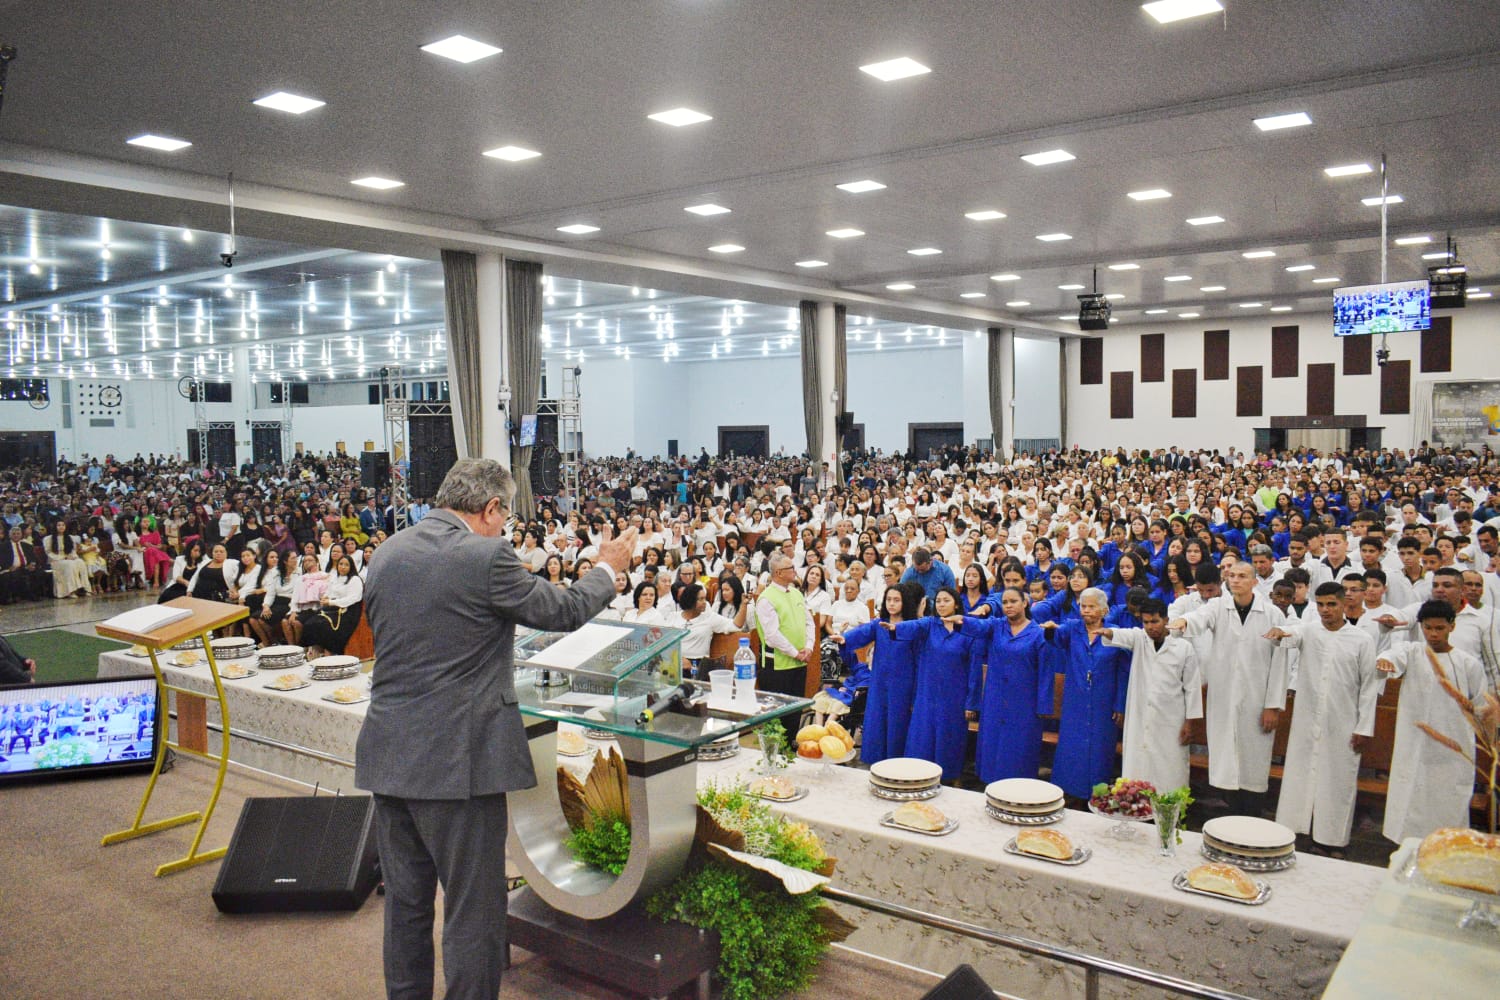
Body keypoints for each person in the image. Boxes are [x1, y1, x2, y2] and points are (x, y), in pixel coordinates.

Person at [356, 458, 634, 1000]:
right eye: (503, 517)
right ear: (490, 509)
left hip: (389, 753)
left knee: (407, 909)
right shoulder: (485, 556)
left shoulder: (388, 551)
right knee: (472, 911)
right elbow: (566, 609)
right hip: (459, 764)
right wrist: (607, 567)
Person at [1263, 583, 1381, 856]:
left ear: (1343, 604)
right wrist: (1281, 632)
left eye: (1331, 604)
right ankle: (1291, 833)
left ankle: (1332, 840)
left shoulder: (1361, 639)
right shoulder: (1310, 630)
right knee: (1299, 776)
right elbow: (1292, 634)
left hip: (1343, 722)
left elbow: (1369, 687)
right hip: (1307, 719)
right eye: (1321, 605)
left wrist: (1364, 726)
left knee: (1336, 781)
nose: (1326, 610)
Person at [1170, 560, 1288, 816]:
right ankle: (1230, 815)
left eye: (1242, 576)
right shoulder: (1217, 607)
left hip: (1257, 699)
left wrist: (1273, 706)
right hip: (1224, 695)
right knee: (1226, 762)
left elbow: (1281, 664)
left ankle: (1251, 817)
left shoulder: (1272, 615)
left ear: (1255, 582)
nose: (1235, 580)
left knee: (1253, 762)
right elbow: (1198, 618)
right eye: (1231, 575)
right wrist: (1184, 622)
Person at [1376, 599, 1491, 845]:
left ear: (1452, 626)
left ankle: (1445, 853)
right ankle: (1406, 852)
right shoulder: (1413, 652)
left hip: (1451, 749)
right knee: (1411, 801)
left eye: (1439, 628)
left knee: (1446, 804)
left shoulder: (1468, 664)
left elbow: (1481, 708)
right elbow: (1393, 655)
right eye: (1428, 628)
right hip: (1414, 744)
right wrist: (1386, 660)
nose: (1433, 634)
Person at [1097, 597, 1203, 793]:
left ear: (1165, 619)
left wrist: (1190, 722)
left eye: (1155, 621)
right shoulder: (1140, 639)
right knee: (1139, 765)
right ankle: (1138, 809)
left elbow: (1192, 688)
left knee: (1170, 768)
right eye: (1145, 622)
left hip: (1171, 720)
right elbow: (1123, 634)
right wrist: (1108, 631)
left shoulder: (1183, 648)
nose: (1150, 627)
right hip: (1141, 717)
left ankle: (1170, 812)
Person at [1039, 587, 1130, 799]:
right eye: (1083, 606)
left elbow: (1124, 672)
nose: (1086, 611)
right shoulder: (1072, 629)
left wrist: (1120, 704)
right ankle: (1068, 794)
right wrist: (1051, 629)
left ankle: (1096, 796)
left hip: (1103, 703)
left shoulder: (1115, 633)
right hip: (1076, 701)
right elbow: (1054, 638)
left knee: (1099, 750)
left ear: (1103, 610)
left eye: (1091, 607)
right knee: (1071, 748)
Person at [958, 586, 1051, 782]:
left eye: (1013, 601)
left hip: (1024, 702)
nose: (1008, 606)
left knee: (1019, 748)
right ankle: (989, 786)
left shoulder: (1038, 633)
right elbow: (978, 627)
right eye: (1005, 602)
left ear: (1025, 603)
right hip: (995, 697)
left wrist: (1043, 705)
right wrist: (962, 620)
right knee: (992, 744)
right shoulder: (997, 626)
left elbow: (1045, 673)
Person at [894, 586, 985, 782]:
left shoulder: (969, 630)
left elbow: (975, 670)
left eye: (946, 600)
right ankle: (917, 777)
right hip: (928, 692)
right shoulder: (929, 625)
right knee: (923, 736)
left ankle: (950, 777)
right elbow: (913, 626)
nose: (942, 604)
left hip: (955, 695)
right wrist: (896, 628)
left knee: (949, 738)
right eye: (939, 601)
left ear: (956, 604)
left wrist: (971, 702)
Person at [832, 582, 924, 765]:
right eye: (889, 599)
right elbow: (861, 633)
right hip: (880, 682)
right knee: (877, 721)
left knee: (898, 723)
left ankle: (895, 763)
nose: (891, 604)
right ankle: (876, 762)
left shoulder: (912, 627)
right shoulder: (878, 625)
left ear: (905, 602)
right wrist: (845, 639)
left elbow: (918, 660)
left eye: (896, 600)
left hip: (903, 684)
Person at [754, 552, 815, 698]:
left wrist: (809, 647)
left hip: (800, 662)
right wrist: (795, 654)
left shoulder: (796, 593)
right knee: (777, 716)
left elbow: (809, 622)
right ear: (779, 573)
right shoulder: (766, 598)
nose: (795, 570)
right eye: (791, 567)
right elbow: (772, 635)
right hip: (777, 666)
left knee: (795, 712)